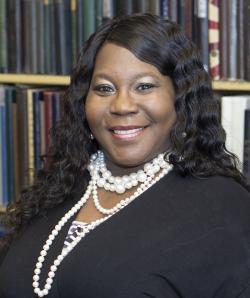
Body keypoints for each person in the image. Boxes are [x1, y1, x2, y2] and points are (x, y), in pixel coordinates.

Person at [1, 13, 250, 298]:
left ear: (180, 98)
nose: (122, 105)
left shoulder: (224, 209)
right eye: (104, 88)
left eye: (144, 86)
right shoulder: (61, 185)